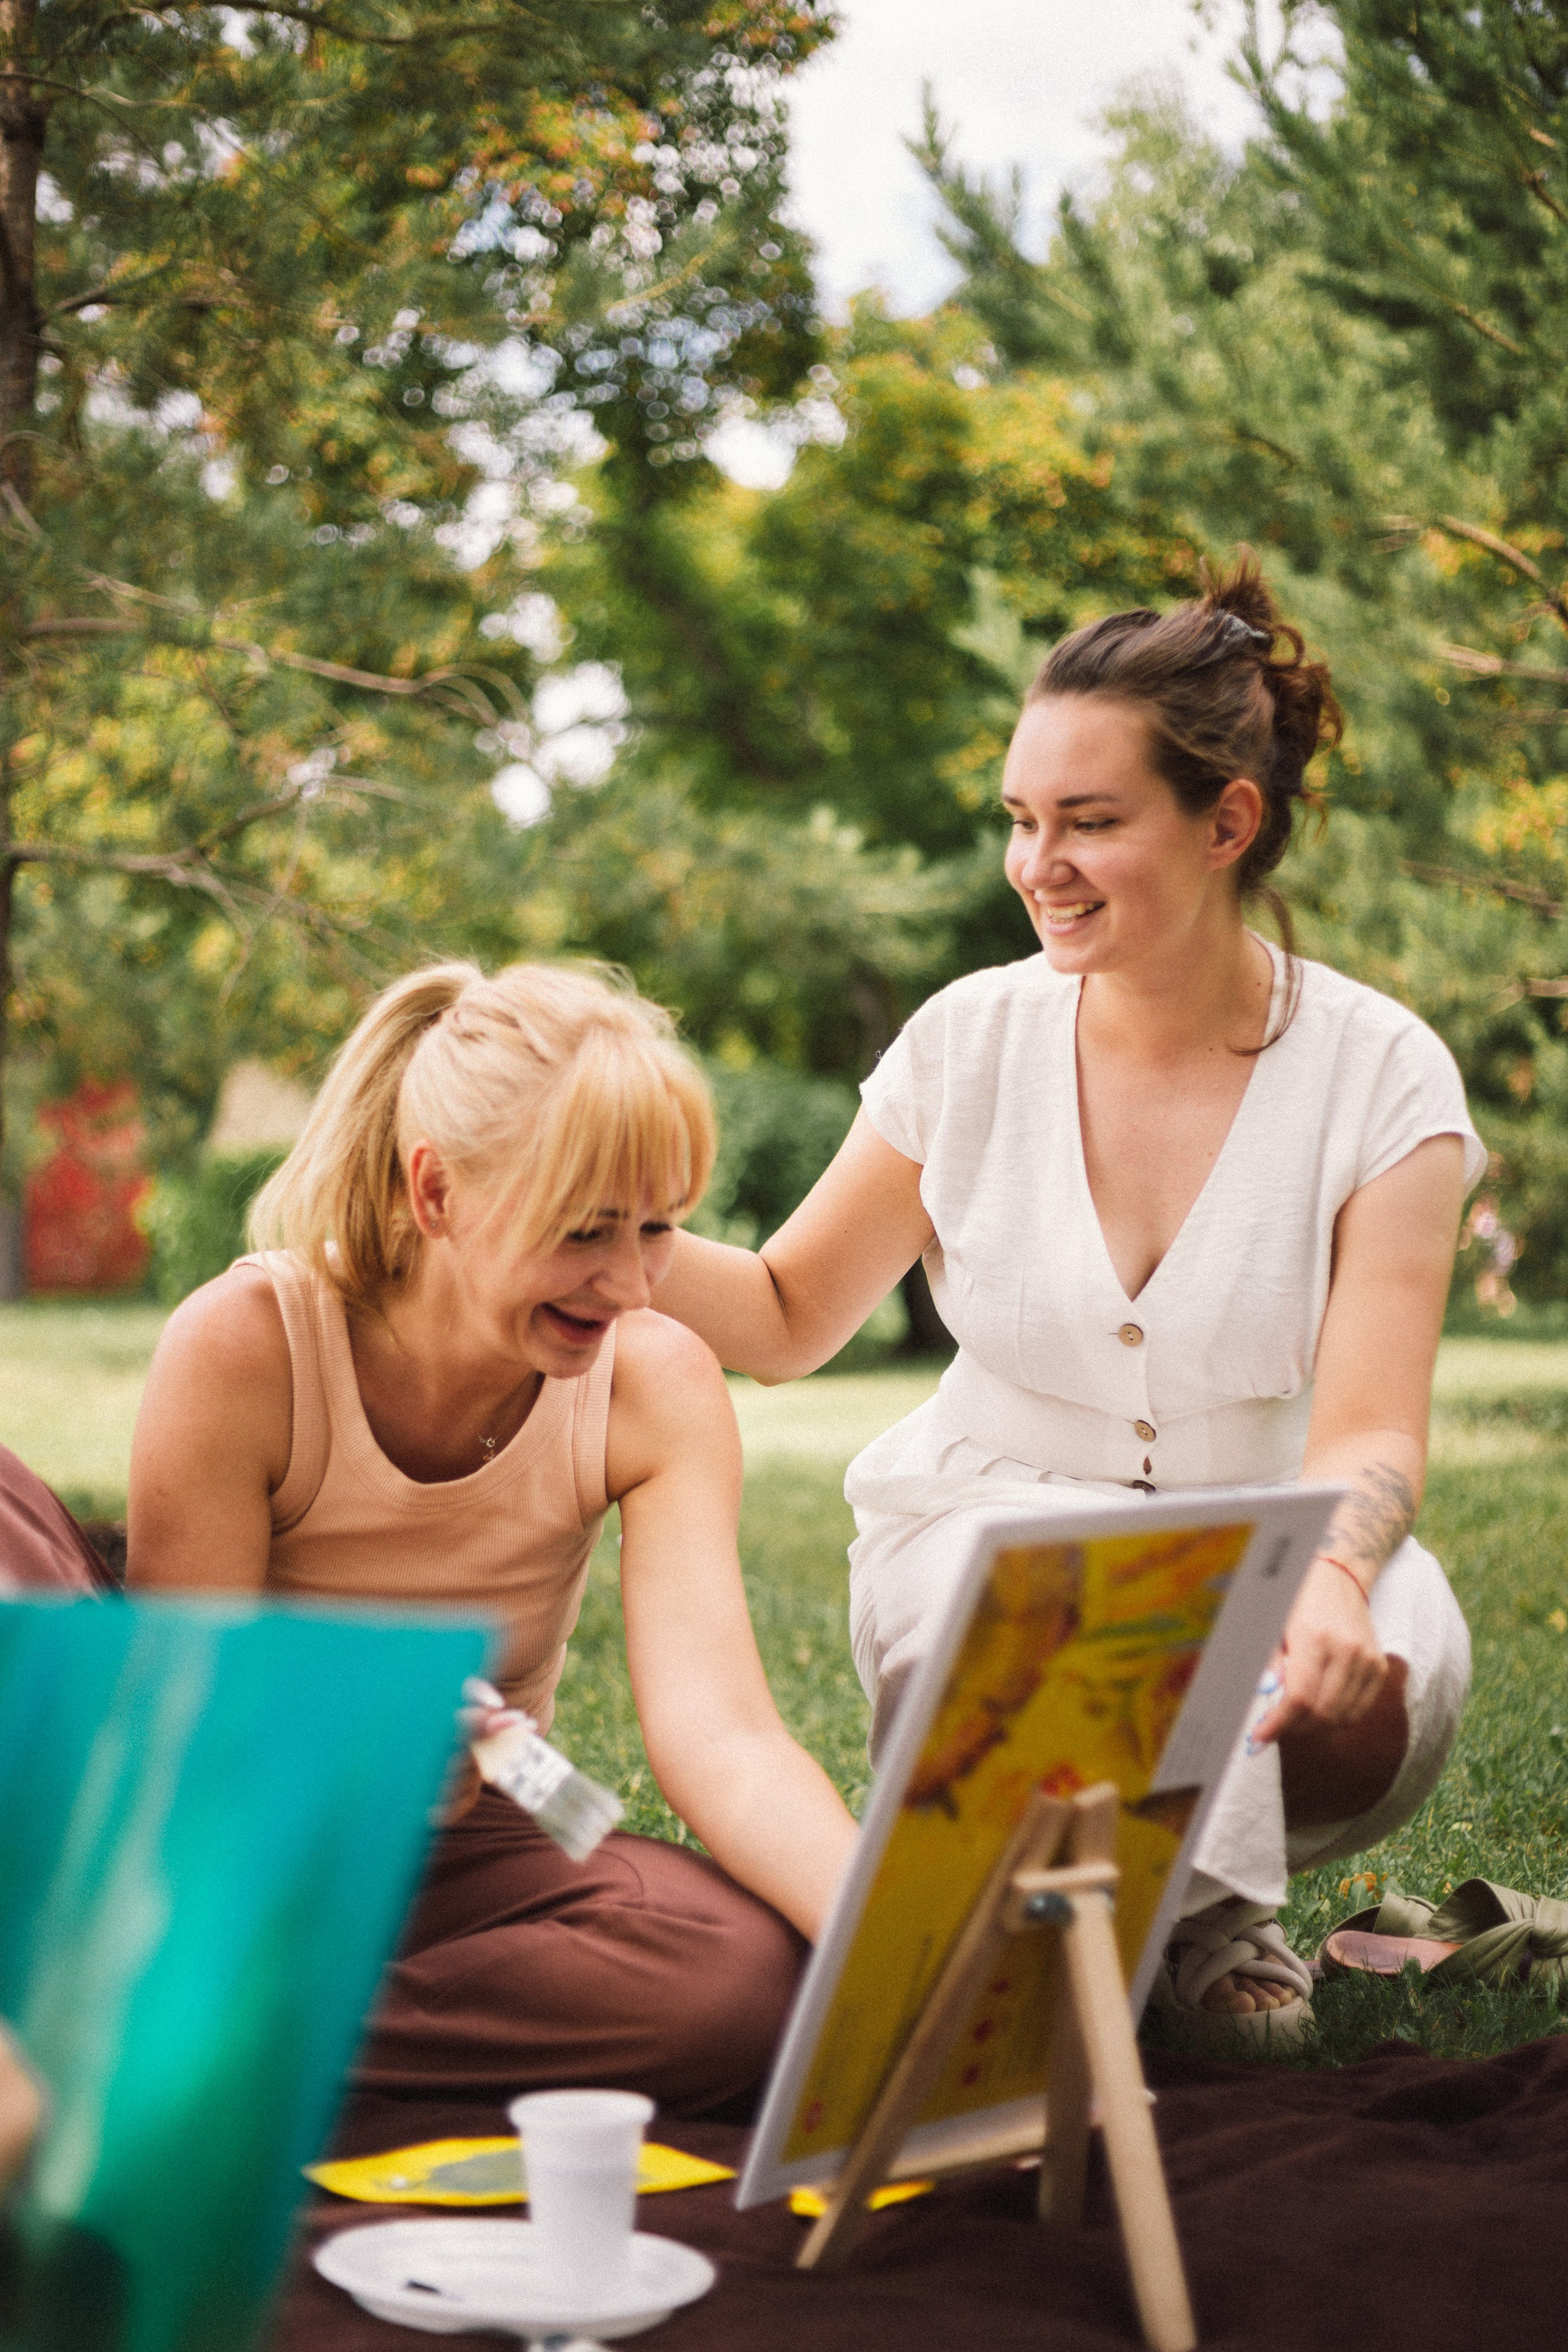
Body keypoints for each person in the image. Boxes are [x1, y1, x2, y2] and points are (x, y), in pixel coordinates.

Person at [651, 554, 1482, 2043]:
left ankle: (1140, 1911)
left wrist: (1332, 1583)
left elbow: (1366, 1430)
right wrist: (603, 1235)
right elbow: (783, 1316)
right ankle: (1195, 1936)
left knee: (1367, 1683)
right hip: (992, 1528)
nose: (1037, 863)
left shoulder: (1382, 1076)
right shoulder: (965, 1040)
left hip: (1264, 1532)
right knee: (1057, 1620)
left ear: (1226, 821)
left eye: (1088, 823)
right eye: (1021, 822)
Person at [127, 960, 858, 2112]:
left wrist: (899, 1955)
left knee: (742, 1987)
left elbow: (725, 1738)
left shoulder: (653, 1384)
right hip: (245, 1844)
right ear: (437, 1193)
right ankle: (197, 2022)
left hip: (472, 1852)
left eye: (659, 1229)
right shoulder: (248, 1348)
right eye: (583, 1234)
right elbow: (180, 1740)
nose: (627, 1284)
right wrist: (359, 1739)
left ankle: (222, 2051)